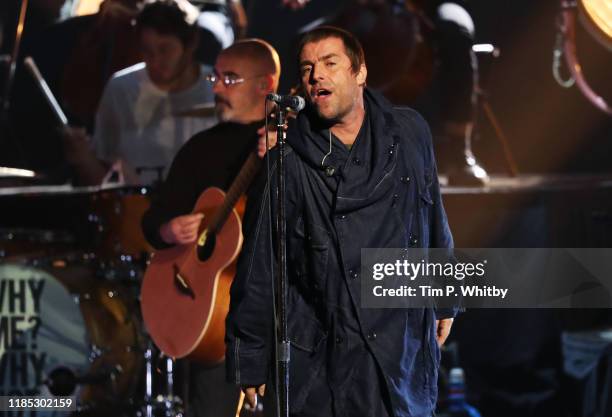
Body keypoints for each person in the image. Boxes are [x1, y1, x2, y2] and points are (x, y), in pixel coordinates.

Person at [225, 26, 457, 417]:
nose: (317, 75)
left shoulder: (409, 131)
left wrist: (446, 296)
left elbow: (431, 212)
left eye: (330, 63)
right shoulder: (289, 161)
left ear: (360, 72)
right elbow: (261, 262)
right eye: (307, 68)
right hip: (329, 352)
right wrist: (250, 355)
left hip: (402, 341)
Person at [141, 38, 281, 417]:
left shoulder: (292, 143)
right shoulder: (200, 148)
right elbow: (153, 219)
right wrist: (169, 230)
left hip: (279, 317)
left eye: (229, 79)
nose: (217, 87)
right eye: (215, 78)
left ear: (265, 85)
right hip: (215, 321)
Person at [63, 0, 217, 186]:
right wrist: (84, 158)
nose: (154, 60)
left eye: (164, 49)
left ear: (191, 44)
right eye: (146, 50)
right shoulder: (121, 88)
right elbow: (103, 178)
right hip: (132, 211)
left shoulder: (217, 88)